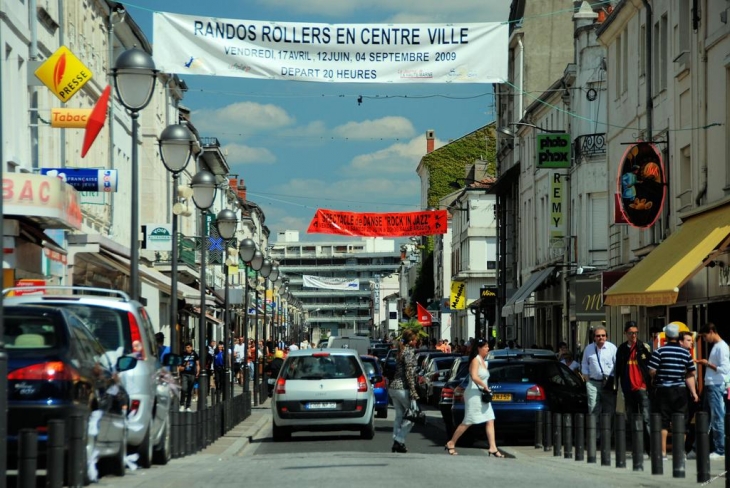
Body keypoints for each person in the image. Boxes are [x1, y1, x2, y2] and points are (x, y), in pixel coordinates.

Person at [444, 337, 504, 457]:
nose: (488, 349)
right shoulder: (475, 360)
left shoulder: (483, 360)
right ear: (479, 348)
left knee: (490, 419)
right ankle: (451, 442)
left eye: (488, 346)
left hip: (482, 395)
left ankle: (493, 447)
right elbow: (474, 376)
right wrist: (484, 386)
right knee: (469, 421)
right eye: (486, 347)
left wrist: (485, 388)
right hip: (474, 394)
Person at [647, 323, 699, 459]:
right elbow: (691, 373)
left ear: (667, 337)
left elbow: (651, 370)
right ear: (677, 336)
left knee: (663, 421)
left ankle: (662, 453)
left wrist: (655, 376)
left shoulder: (659, 351)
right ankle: (679, 452)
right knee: (681, 420)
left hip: (663, 390)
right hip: (680, 390)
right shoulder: (685, 353)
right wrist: (694, 393)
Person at [613, 321, 652, 450]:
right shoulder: (622, 349)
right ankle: (636, 446)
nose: (633, 335)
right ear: (625, 333)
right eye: (631, 333)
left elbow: (649, 365)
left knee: (646, 418)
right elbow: (618, 368)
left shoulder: (643, 346)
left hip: (642, 387)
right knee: (632, 417)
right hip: (628, 387)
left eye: (635, 333)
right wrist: (617, 386)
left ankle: (649, 447)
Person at [697, 322, 730, 459]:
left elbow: (724, 369)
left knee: (717, 417)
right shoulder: (718, 346)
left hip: (716, 384)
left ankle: (720, 450)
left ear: (711, 331)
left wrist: (707, 364)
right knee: (707, 417)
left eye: (705, 336)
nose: (705, 340)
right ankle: (702, 447)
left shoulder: (722, 347)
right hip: (712, 384)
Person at [388, 329, 420, 453]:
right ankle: (399, 440)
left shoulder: (400, 351)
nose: (417, 342)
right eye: (415, 339)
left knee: (399, 416)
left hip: (393, 388)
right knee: (413, 415)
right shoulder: (409, 352)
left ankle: (396, 442)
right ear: (411, 341)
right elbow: (409, 373)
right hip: (403, 388)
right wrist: (413, 391)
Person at [581, 326, 617, 417]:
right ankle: (595, 431)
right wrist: (587, 378)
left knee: (609, 409)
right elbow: (584, 364)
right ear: (594, 337)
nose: (601, 337)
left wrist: (614, 379)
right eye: (598, 336)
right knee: (593, 409)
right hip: (593, 383)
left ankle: (608, 430)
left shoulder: (612, 348)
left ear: (606, 337)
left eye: (603, 335)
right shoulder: (588, 349)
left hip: (608, 383)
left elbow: (617, 364)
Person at [178, 342, 200, 412]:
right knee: (184, 389)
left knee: (190, 391)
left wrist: (198, 371)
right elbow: (179, 365)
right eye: (186, 347)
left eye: (188, 347)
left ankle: (188, 406)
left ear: (191, 347)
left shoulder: (195, 354)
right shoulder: (182, 354)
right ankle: (182, 404)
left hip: (192, 374)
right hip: (184, 374)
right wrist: (180, 371)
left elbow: (197, 364)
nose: (187, 349)